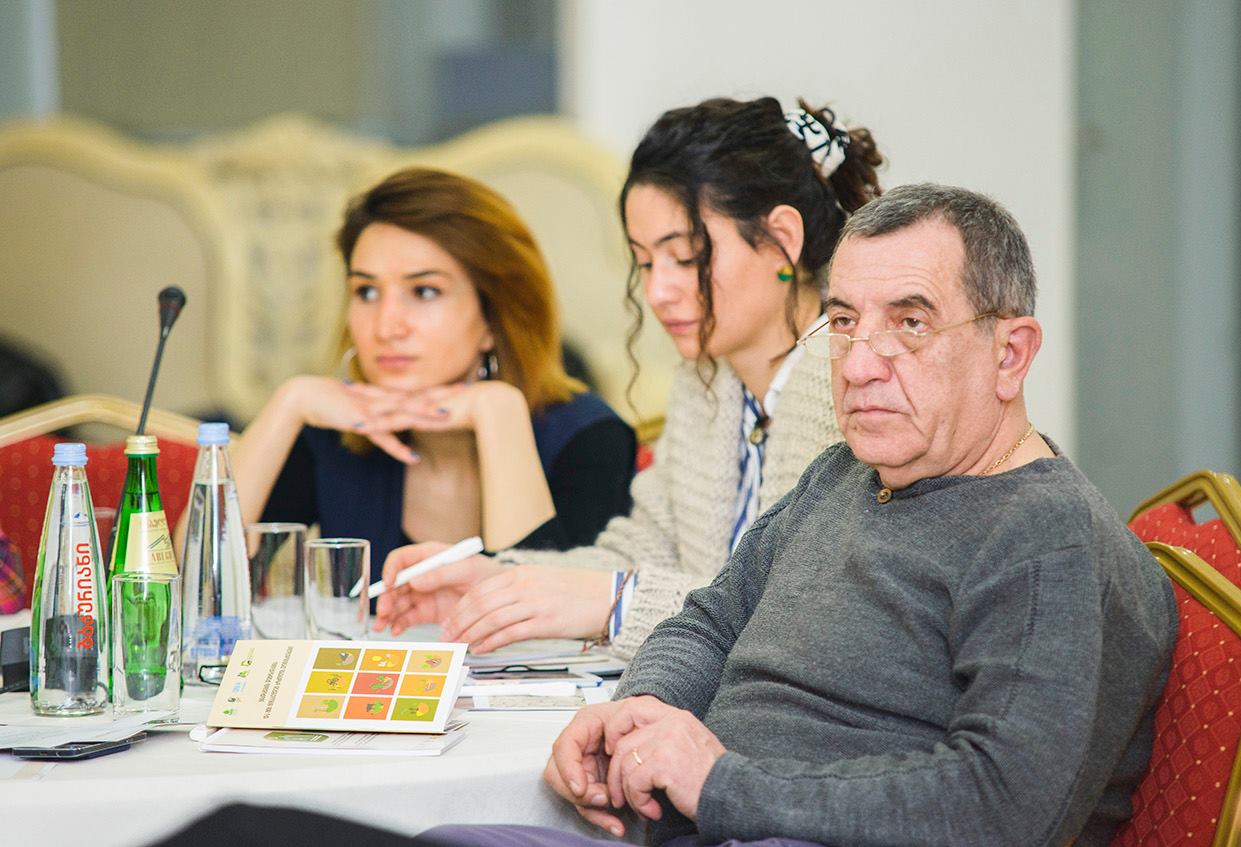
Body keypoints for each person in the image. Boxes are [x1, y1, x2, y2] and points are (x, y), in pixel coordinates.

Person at [146, 185, 1179, 847]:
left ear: (1010, 353)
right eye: (843, 321)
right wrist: (632, 711)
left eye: (909, 323)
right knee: (240, 826)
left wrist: (721, 780)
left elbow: (1002, 805)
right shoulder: (845, 474)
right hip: (677, 830)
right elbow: (710, 619)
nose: (860, 362)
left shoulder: (1039, 534)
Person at [375, 97, 885, 657]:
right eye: (645, 262)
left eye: (686, 257)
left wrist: (617, 602)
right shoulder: (707, 384)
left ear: (782, 239)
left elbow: (812, 609)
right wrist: (500, 582)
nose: (658, 291)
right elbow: (641, 552)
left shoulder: (858, 382)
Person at [235, 168, 637, 572]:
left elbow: (542, 608)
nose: (386, 327)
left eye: (425, 291)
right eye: (366, 291)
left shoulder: (591, 439)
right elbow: (207, 586)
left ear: (494, 317)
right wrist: (289, 403)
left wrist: (499, 416)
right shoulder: (331, 434)